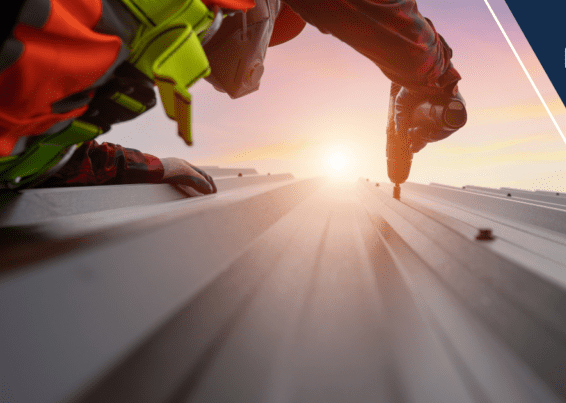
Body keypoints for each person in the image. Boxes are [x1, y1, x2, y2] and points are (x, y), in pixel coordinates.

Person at [0, 0, 462, 192]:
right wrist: (438, 80)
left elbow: (23, 148)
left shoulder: (87, 57)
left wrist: (136, 166)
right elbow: (394, 27)